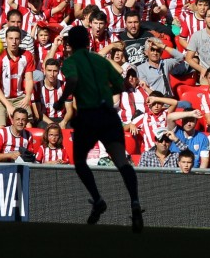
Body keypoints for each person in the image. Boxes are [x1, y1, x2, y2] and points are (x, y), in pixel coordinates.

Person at [52, 26, 143, 233]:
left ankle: (98, 199)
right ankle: (135, 202)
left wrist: (61, 100)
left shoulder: (70, 62)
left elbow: (73, 80)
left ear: (70, 44)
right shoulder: (101, 60)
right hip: (109, 115)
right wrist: (102, 88)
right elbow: (120, 84)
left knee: (80, 162)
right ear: (88, 41)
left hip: (89, 115)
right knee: (122, 161)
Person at [0, 27, 35, 128]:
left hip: (20, 98)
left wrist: (28, 96)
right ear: (6, 39)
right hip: (1, 99)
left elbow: (29, 79)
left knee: (28, 127)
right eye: (10, 38)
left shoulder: (27, 55)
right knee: (0, 129)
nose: (14, 42)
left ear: (20, 40)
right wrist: (8, 105)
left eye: (16, 39)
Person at [31, 58, 73, 129]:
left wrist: (64, 122)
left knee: (71, 128)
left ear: (59, 72)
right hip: (45, 119)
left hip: (61, 119)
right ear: (44, 71)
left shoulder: (65, 86)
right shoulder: (37, 87)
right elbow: (38, 113)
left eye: (55, 71)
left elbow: (69, 110)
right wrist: (52, 124)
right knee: (43, 128)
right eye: (49, 70)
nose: (52, 74)